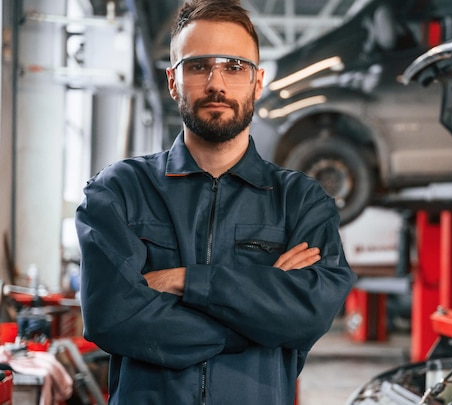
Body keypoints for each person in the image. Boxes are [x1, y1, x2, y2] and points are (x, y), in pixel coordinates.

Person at [74, 0, 357, 403]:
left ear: (258, 82)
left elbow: (309, 313)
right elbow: (111, 318)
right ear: (173, 81)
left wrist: (186, 280)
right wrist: (257, 317)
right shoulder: (119, 191)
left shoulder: (301, 202)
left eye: (234, 67)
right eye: (198, 66)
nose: (216, 84)